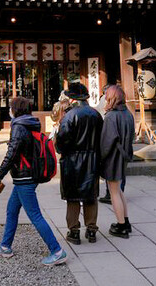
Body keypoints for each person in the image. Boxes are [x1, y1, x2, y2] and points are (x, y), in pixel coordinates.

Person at [0, 96, 68, 266]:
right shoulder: (30, 123)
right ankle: (5, 246)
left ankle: (57, 251)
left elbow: (11, 154)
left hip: (25, 177)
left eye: (11, 107)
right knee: (12, 210)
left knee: (35, 215)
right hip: (27, 175)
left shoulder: (18, 126)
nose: (9, 110)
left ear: (16, 110)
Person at [55, 81, 103, 245]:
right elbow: (101, 139)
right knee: (91, 196)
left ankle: (74, 231)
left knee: (73, 197)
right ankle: (91, 229)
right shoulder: (95, 114)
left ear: (73, 98)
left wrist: (59, 147)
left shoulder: (69, 116)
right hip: (92, 159)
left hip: (72, 161)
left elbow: (61, 143)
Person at [100, 85, 135, 239]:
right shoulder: (128, 114)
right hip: (124, 154)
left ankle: (121, 225)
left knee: (114, 191)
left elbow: (106, 142)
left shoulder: (111, 116)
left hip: (113, 157)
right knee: (119, 190)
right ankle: (125, 221)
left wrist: (100, 158)